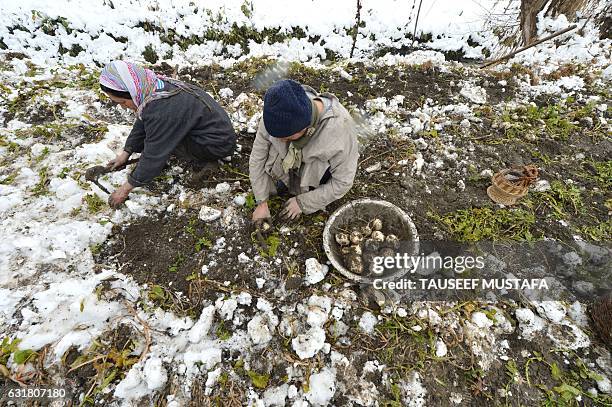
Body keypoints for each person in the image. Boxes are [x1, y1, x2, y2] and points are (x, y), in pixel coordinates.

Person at [99, 60, 237, 208]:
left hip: (217, 143)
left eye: (123, 102)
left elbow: (154, 152)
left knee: (160, 145)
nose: (123, 107)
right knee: (157, 136)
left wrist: (125, 189)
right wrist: (127, 152)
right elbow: (143, 120)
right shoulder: (152, 87)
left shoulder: (162, 108)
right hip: (211, 129)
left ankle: (207, 160)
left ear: (132, 91)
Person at [249, 79, 358, 224]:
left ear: (304, 128)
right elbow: (258, 157)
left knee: (319, 165)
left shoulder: (340, 129)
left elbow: (343, 182)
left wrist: (303, 203)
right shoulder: (275, 114)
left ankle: (306, 189)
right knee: (270, 148)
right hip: (290, 171)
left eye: (286, 138)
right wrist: (261, 201)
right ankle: (290, 182)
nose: (281, 140)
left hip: (316, 179)